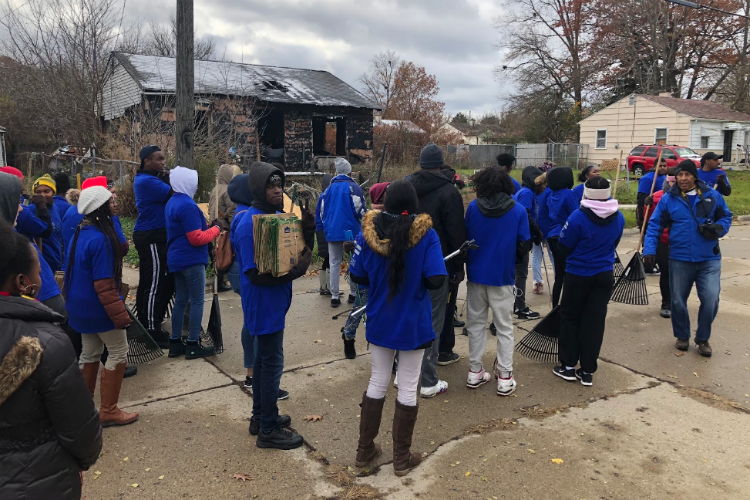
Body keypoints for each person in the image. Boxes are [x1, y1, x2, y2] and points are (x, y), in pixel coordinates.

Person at [0, 219, 103, 500]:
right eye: (39, 272)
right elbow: (82, 433)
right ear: (25, 283)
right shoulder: (47, 343)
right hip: (40, 482)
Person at [350, 180, 447, 476]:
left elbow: (358, 275)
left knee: (378, 380)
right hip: (413, 323)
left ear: (387, 202)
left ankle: (364, 450)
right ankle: (401, 460)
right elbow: (436, 280)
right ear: (414, 204)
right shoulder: (427, 236)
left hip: (380, 318)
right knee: (407, 385)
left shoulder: (367, 233)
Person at [234, 162, 314, 449]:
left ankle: (260, 417)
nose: (277, 190)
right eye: (270, 185)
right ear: (257, 188)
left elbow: (295, 254)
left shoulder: (277, 217)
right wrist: (295, 272)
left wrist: (308, 230)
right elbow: (256, 275)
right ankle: (268, 429)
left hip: (275, 302)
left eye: (279, 184)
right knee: (270, 365)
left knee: (263, 361)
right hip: (262, 303)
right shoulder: (249, 224)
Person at [64, 186, 138, 426]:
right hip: (99, 309)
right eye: (111, 201)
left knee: (89, 352)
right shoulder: (102, 238)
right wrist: (120, 316)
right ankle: (108, 410)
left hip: (79, 308)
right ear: (100, 208)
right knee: (117, 351)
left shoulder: (81, 232)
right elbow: (104, 285)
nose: (115, 204)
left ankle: (85, 412)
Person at [644, 160, 732, 357]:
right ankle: (682, 335)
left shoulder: (712, 196)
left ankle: (703, 338)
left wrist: (719, 228)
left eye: (687, 175)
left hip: (709, 258)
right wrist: (649, 250)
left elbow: (726, 217)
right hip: (679, 258)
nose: (683, 179)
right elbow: (654, 225)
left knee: (710, 300)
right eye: (680, 175)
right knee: (677, 301)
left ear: (695, 176)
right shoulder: (669, 199)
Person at [407, 143, 467, 397]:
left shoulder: (404, 186)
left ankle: (405, 373)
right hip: (438, 263)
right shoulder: (448, 192)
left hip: (405, 262)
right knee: (432, 320)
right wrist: (458, 266)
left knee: (408, 315)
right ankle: (427, 378)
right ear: (441, 165)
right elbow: (456, 233)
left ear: (420, 163)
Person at [553, 177, 624, 387]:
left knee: (570, 318)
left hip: (578, 274)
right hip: (604, 275)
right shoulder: (618, 216)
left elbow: (564, 246)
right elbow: (615, 242)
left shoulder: (577, 217)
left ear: (586, 192)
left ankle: (567, 366)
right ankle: (587, 371)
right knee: (594, 321)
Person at [464, 167, 530, 395]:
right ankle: (505, 376)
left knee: (475, 325)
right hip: (502, 276)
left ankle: (474, 371)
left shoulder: (473, 207)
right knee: (504, 328)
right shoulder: (519, 210)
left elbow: (467, 237)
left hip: (475, 274)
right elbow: (524, 243)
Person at [165, 167, 220, 360]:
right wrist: (216, 229)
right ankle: (193, 344)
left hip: (176, 258)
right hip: (191, 259)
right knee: (197, 300)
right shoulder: (187, 205)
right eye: (193, 183)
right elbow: (196, 238)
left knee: (181, 300)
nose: (196, 187)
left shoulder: (172, 202)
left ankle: (175, 342)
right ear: (186, 183)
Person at [0, 171, 65, 317]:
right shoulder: (10, 244)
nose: (21, 208)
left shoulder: (13, 234)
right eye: (16, 202)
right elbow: (44, 230)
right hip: (37, 312)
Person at [341, 182, 390, 360]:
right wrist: (353, 246)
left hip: (386, 277)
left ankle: (387, 351)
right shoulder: (370, 222)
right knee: (360, 307)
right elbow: (361, 242)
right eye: (385, 197)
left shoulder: (395, 219)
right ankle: (348, 335)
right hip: (368, 277)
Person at [133, 145, 174, 347]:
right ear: (147, 161)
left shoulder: (150, 179)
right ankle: (150, 329)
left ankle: (146, 320)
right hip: (151, 236)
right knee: (153, 284)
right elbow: (174, 193)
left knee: (150, 281)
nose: (163, 161)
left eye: (163, 158)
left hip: (154, 235)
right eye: (159, 158)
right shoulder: (148, 181)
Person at [321, 158, 366, 307]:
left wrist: (328, 226)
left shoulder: (327, 190)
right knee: (353, 260)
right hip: (351, 231)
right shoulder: (354, 187)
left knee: (334, 262)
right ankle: (353, 293)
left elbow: (322, 213)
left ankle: (334, 296)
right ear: (349, 171)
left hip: (332, 231)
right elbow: (360, 210)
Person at [644, 168, 678, 319]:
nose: (673, 184)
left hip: (681, 242)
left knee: (679, 274)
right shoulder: (657, 197)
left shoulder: (687, 198)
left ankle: (678, 301)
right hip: (663, 241)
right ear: (667, 181)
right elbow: (650, 221)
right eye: (671, 181)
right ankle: (666, 303)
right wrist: (647, 206)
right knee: (666, 272)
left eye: (675, 181)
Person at [511, 166, 543, 320]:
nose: (543, 187)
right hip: (521, 240)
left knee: (519, 273)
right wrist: (536, 231)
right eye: (541, 183)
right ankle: (520, 306)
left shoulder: (529, 193)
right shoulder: (526, 194)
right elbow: (524, 214)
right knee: (521, 274)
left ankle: (516, 304)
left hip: (525, 238)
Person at [545, 167, 578, 307]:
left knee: (559, 274)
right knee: (569, 274)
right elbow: (576, 215)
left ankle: (554, 307)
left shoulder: (551, 194)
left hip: (552, 236)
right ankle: (568, 306)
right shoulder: (568, 194)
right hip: (564, 236)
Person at [209, 164, 242, 292]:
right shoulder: (228, 190)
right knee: (227, 254)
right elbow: (232, 211)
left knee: (217, 254)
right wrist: (235, 227)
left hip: (214, 227)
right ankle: (224, 281)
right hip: (224, 228)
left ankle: (218, 281)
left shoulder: (215, 189)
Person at [28, 174, 65, 272]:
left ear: (53, 192)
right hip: (43, 265)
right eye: (38, 192)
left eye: (46, 191)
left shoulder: (56, 209)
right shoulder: (31, 210)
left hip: (57, 262)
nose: (43, 195)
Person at [532, 172, 555, 295]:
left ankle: (537, 282)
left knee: (536, 256)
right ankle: (558, 281)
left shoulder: (539, 194)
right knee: (553, 256)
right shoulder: (551, 193)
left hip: (537, 228)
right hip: (550, 229)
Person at [636, 157, 668, 230]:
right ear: (654, 167)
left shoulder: (665, 177)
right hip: (648, 213)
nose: (663, 168)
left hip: (660, 212)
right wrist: (641, 218)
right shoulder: (647, 179)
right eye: (660, 166)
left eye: (664, 166)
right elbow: (641, 199)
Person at [315, 174, 333, 296]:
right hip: (324, 229)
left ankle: (324, 286)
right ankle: (329, 287)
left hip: (320, 228)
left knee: (328, 257)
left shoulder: (323, 195)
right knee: (330, 256)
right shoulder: (326, 196)